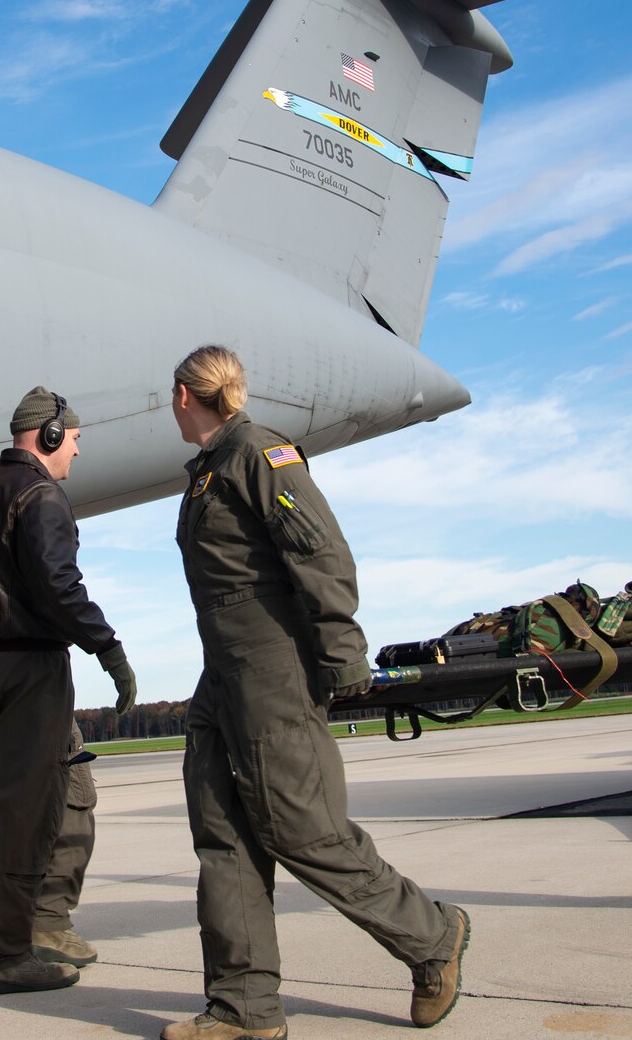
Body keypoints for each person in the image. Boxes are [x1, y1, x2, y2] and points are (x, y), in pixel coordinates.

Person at [165, 345, 468, 1040]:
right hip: (223, 675)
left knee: (302, 828)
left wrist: (341, 650)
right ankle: (243, 1008)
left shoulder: (260, 454)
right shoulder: (209, 469)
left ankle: (432, 935)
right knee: (224, 836)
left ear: (186, 393)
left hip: (273, 669)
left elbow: (320, 550)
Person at [0, 387, 136, 998]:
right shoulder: (39, 494)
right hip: (31, 667)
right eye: (74, 440)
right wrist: (108, 647)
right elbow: (59, 585)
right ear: (48, 436)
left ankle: (30, 932)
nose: (76, 453)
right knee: (25, 811)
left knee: (29, 800)